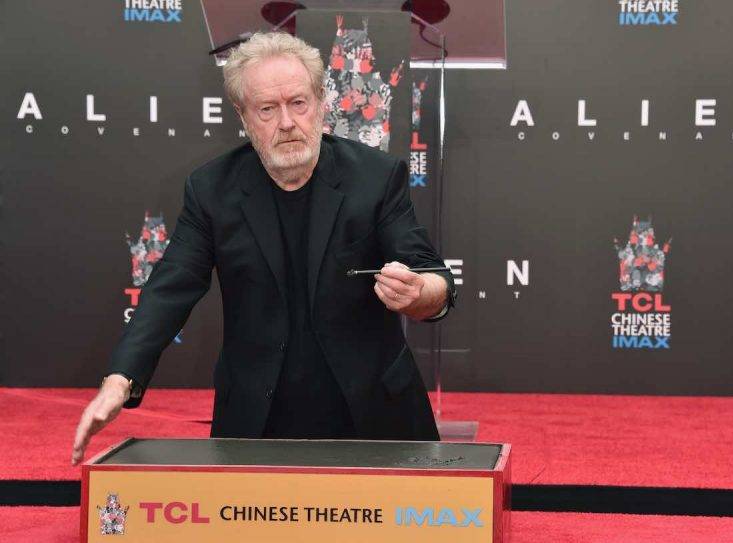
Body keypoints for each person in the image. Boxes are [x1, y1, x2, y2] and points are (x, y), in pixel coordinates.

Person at [71, 32, 455, 465]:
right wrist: (119, 380)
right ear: (243, 115)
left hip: (376, 417)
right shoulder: (211, 190)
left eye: (298, 103)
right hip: (256, 419)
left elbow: (433, 278)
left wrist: (419, 293)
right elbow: (170, 288)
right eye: (267, 109)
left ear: (321, 103)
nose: (286, 122)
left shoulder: (376, 178)